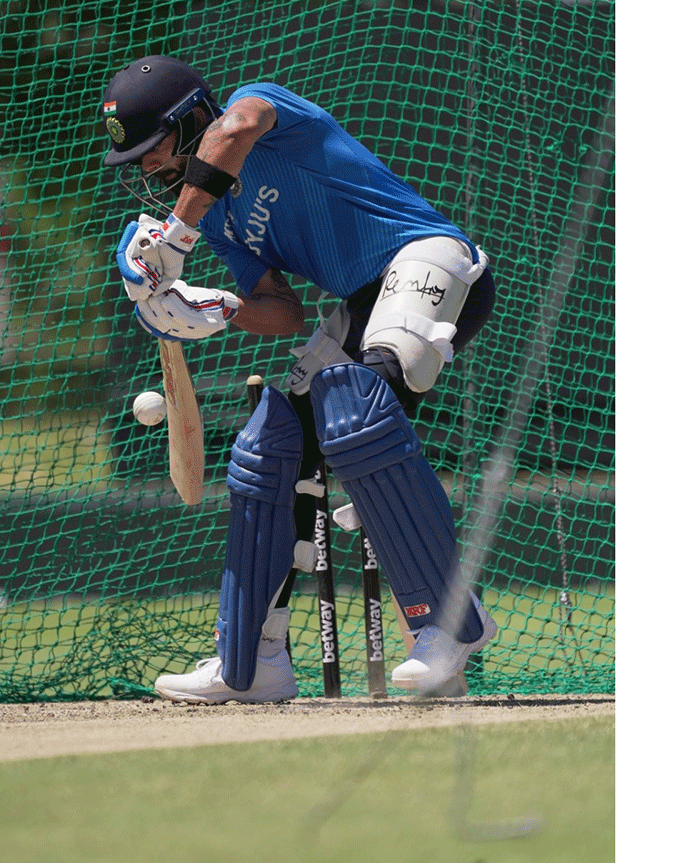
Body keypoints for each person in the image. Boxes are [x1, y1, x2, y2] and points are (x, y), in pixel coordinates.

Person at [102, 54, 498, 702]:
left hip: (429, 259)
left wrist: (174, 238)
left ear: (193, 118)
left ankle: (450, 623)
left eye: (154, 148)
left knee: (357, 409)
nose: (147, 166)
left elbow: (235, 131)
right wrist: (217, 309)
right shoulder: (224, 223)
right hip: (362, 302)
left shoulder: (254, 109)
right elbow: (281, 311)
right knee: (270, 445)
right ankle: (252, 661)